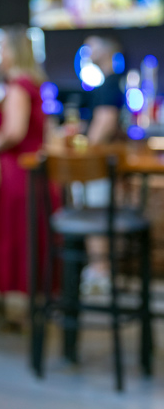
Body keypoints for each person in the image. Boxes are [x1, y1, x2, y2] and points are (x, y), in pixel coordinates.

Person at [0, 26, 51, 322]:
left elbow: (14, 132)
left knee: (18, 237)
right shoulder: (35, 84)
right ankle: (36, 302)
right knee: (34, 236)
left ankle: (20, 311)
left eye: (2, 49)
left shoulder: (17, 87)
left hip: (17, 173)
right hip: (36, 171)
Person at [79, 34, 125, 293]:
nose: (87, 50)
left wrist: (85, 146)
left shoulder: (109, 85)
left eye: (92, 45)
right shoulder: (108, 83)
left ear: (108, 49)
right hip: (103, 163)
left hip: (99, 164)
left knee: (95, 216)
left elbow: (103, 127)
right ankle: (101, 271)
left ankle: (100, 273)